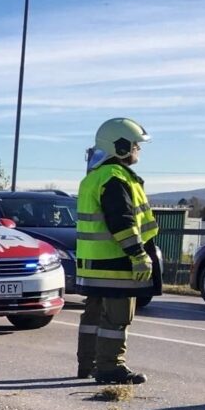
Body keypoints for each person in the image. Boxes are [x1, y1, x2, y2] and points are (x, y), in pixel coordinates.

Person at [75, 117, 160, 385]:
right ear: (120, 146)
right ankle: (110, 367)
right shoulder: (115, 178)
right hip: (116, 263)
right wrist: (138, 255)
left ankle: (88, 363)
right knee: (116, 317)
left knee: (93, 315)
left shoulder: (95, 177)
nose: (138, 149)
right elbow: (122, 222)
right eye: (135, 145)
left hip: (94, 263)